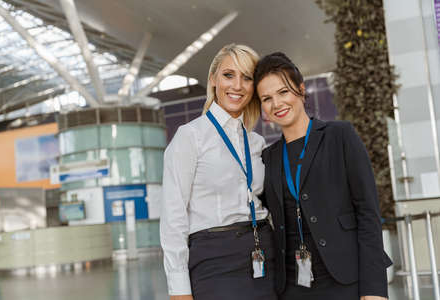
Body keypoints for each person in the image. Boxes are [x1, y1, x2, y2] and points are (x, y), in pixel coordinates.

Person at [254, 52, 392, 300]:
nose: (277, 104)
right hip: (293, 287)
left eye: (283, 92)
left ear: (301, 89)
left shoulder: (340, 136)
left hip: (345, 280)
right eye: (267, 98)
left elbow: (368, 213)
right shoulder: (268, 157)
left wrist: (374, 290)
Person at [160, 44, 277, 300]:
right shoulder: (190, 137)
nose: (237, 85)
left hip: (264, 255)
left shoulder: (256, 143)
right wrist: (179, 290)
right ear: (213, 79)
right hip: (214, 262)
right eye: (228, 75)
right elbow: (173, 218)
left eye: (247, 78)